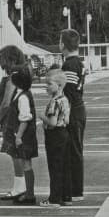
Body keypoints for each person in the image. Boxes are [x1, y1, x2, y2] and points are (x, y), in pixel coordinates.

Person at [0, 67, 38, 204]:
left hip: (24, 136)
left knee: (26, 163)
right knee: (26, 163)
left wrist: (18, 136)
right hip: (24, 135)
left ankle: (30, 195)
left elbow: (25, 118)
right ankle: (27, 192)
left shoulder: (23, 97)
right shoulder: (21, 93)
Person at [60, 28, 86, 202]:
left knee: (72, 151)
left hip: (73, 111)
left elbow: (68, 92)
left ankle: (74, 191)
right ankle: (75, 190)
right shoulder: (80, 62)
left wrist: (64, 116)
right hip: (79, 109)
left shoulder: (69, 64)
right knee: (75, 150)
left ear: (63, 44)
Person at [41, 68, 72, 206]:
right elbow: (67, 120)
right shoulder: (65, 99)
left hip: (54, 136)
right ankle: (66, 196)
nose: (46, 87)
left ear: (58, 85)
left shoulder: (54, 101)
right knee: (64, 166)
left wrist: (41, 117)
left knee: (54, 167)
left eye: (49, 84)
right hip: (64, 134)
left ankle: (54, 198)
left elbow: (52, 123)